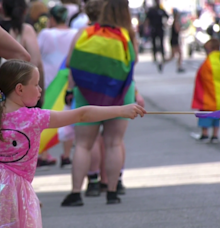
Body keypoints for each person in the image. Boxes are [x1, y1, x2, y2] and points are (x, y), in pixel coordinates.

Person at [0, 59, 146, 228]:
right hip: (10, 193)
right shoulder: (35, 118)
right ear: (20, 89)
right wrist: (121, 110)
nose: (41, 90)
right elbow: (82, 114)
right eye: (37, 84)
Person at [61, 0, 138, 206]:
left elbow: (70, 62)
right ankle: (112, 192)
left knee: (84, 144)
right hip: (121, 92)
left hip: (88, 91)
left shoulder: (85, 32)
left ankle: (76, 193)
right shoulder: (126, 34)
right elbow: (133, 61)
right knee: (114, 142)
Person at [37, 5, 78, 168]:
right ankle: (66, 155)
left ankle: (43, 153)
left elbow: (36, 53)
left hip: (49, 80)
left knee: (45, 117)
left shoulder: (46, 34)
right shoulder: (76, 33)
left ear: (51, 18)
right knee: (67, 115)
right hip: (67, 79)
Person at [0, 0, 44, 106]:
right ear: (24, 11)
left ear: (3, 10)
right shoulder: (25, 29)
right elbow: (36, 62)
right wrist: (41, 92)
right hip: (20, 95)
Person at [191, 38, 220, 143]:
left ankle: (205, 133)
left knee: (205, 114)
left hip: (208, 94)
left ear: (213, 49)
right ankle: (215, 135)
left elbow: (202, 76)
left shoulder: (209, 62)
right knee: (217, 115)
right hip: (219, 95)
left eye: (207, 50)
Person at [145, 0, 169, 71]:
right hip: (153, 28)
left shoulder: (161, 10)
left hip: (160, 28)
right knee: (154, 43)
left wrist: (166, 24)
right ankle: (154, 56)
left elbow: (167, 17)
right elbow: (147, 19)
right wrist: (146, 27)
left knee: (161, 43)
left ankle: (162, 56)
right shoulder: (151, 10)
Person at [165, 8, 185, 73]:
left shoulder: (174, 22)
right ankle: (179, 67)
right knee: (180, 54)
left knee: (172, 56)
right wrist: (183, 29)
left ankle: (162, 63)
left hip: (173, 40)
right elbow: (177, 30)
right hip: (175, 41)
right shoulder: (176, 22)